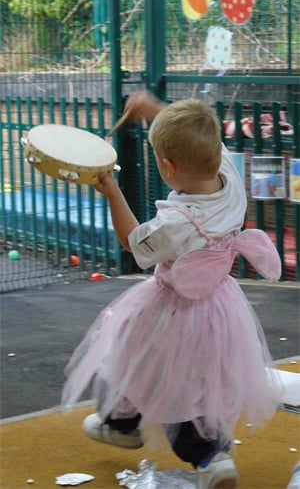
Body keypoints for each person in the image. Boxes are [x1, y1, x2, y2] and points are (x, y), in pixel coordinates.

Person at [62, 95, 282, 489]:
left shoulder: (177, 222)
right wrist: (156, 109)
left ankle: (143, 432)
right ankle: (212, 453)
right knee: (195, 383)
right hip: (220, 308)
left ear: (167, 167)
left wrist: (112, 192)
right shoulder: (230, 178)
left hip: (172, 311)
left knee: (133, 359)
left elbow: (134, 242)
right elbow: (200, 139)